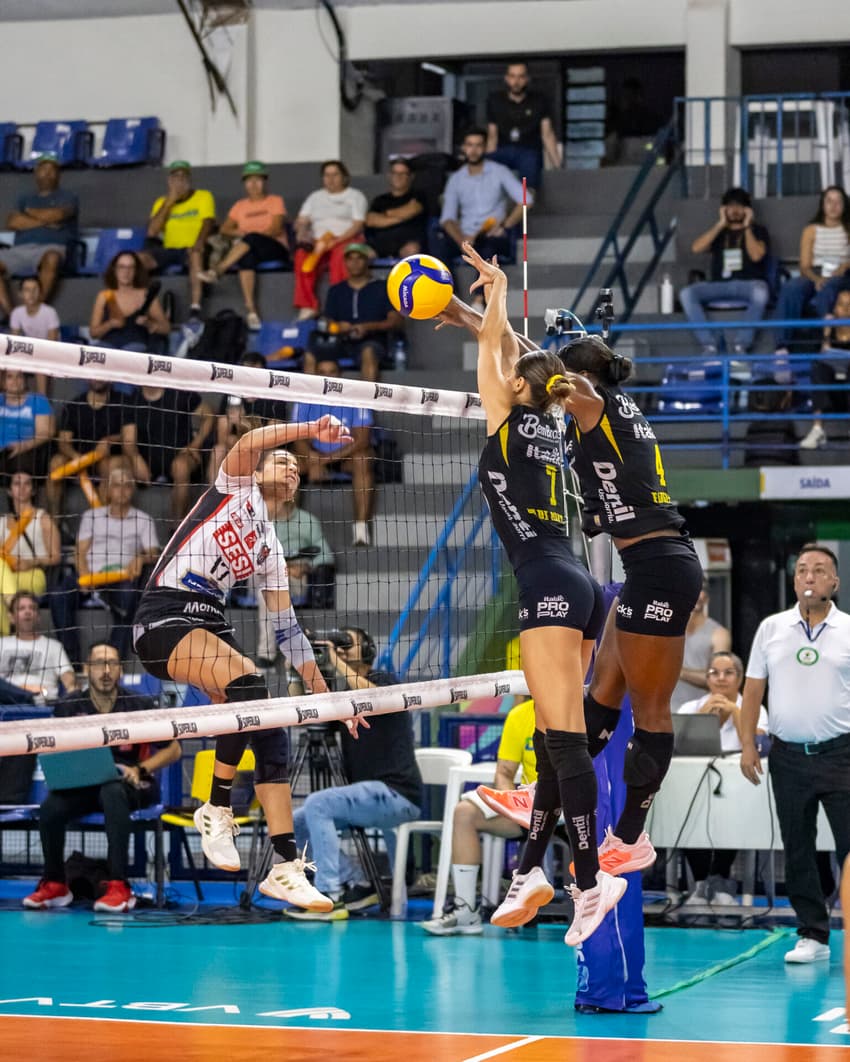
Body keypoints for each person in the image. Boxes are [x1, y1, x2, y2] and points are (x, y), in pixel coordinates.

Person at [439, 289, 703, 885]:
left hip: (662, 566)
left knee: (650, 710)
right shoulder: (602, 403)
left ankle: (630, 837)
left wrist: (487, 327)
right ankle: (543, 795)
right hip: (644, 567)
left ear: (581, 377)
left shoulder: (593, 400)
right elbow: (536, 364)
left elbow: (545, 374)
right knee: (598, 701)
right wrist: (469, 318)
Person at [463, 242, 624, 948]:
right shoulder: (553, 427)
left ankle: (589, 883)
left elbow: (498, 351)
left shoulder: (508, 415)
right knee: (560, 738)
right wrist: (478, 318)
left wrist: (496, 291)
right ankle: (530, 868)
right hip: (580, 583)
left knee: (564, 743)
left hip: (549, 585)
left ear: (515, 387)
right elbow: (513, 354)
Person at [133, 415, 360, 912]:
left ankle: (284, 867)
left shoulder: (271, 549)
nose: (292, 468)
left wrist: (329, 698)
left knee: (270, 727)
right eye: (282, 461)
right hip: (163, 618)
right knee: (248, 683)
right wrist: (311, 429)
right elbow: (252, 439)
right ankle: (216, 807)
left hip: (210, 622)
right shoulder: (234, 488)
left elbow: (289, 633)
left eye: (298, 467)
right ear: (257, 472)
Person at [740, 542, 850, 964]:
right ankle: (813, 934)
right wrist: (747, 744)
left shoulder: (847, 629)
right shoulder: (772, 628)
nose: (809, 576)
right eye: (802, 569)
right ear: (793, 579)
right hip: (787, 757)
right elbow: (753, 689)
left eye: (819, 570)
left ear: (834, 582)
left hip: (841, 754)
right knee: (797, 846)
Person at [22, 641, 181, 913]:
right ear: (86, 669)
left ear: (120, 669)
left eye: (112, 663)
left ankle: (119, 886)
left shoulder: (139, 705)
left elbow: (174, 750)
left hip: (131, 783)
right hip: (85, 785)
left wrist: (140, 769)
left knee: (112, 790)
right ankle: (55, 883)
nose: (106, 670)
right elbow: (54, 751)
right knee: (50, 807)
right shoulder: (70, 706)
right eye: (98, 664)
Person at [286, 626, 422, 921]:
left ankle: (329, 896)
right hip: (366, 799)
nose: (341, 649)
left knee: (318, 803)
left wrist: (335, 660)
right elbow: (303, 714)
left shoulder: (384, 680)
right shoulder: (344, 698)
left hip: (396, 794)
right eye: (338, 645)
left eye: (347, 644)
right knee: (294, 823)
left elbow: (372, 696)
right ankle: (357, 880)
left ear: (369, 651)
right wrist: (296, 671)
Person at [422, 697, 536, 936]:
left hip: (576, 808)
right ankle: (466, 912)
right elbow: (504, 773)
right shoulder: (520, 715)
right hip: (530, 811)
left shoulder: (579, 710)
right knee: (464, 813)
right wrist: (512, 805)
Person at [678, 651, 768, 906]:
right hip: (696, 790)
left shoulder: (754, 708)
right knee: (685, 812)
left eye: (728, 673)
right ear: (706, 678)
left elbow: (759, 745)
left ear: (740, 678)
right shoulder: (690, 708)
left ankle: (720, 878)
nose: (720, 678)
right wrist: (703, 718)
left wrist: (737, 713)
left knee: (732, 813)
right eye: (714, 673)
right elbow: (679, 749)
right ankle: (700, 882)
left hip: (740, 794)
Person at [50, 467, 160, 667]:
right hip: (91, 573)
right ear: (108, 490)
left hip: (121, 577)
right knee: (59, 596)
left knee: (131, 602)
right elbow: (80, 551)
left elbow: (154, 552)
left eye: (127, 485)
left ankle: (111, 662)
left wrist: (141, 557)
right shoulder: (92, 516)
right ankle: (73, 662)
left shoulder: (143, 519)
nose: (122, 490)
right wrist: (84, 574)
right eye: (117, 485)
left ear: (133, 490)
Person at [290, 361, 376, 547]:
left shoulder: (356, 395)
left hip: (344, 457)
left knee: (363, 459)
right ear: (316, 375)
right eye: (322, 372)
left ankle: (361, 529)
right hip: (313, 456)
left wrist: (323, 461)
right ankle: (288, 530)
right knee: (287, 465)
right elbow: (297, 436)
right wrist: (313, 459)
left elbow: (362, 439)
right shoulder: (304, 397)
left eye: (332, 372)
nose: (327, 376)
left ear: (340, 374)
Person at [197, 160, 290, 330]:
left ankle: (218, 270)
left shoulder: (275, 201)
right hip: (249, 247)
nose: (253, 184)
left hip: (274, 247)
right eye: (249, 180)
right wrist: (242, 234)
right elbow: (225, 229)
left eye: (258, 180)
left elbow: (276, 229)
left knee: (251, 239)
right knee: (246, 256)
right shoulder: (240, 206)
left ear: (265, 182)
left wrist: (252, 236)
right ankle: (251, 310)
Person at [678, 186, 771, 354]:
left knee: (761, 291)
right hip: (719, 285)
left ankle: (741, 345)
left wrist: (747, 227)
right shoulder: (719, 232)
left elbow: (757, 255)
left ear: (747, 210)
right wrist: (720, 224)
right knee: (687, 293)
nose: (735, 211)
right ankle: (709, 345)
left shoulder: (758, 230)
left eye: (739, 206)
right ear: (724, 209)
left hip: (747, 285)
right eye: (730, 206)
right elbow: (696, 248)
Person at [440, 130, 529, 301]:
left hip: (491, 234)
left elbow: (526, 200)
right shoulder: (456, 179)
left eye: (478, 145)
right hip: (465, 237)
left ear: (486, 147)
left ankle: (478, 301)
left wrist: (505, 225)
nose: (473, 150)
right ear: (463, 148)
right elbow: (447, 219)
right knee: (438, 242)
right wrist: (462, 241)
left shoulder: (499, 171)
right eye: (469, 145)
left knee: (490, 248)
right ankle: (448, 298)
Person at [302, 243, 403, 383]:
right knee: (310, 354)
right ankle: (308, 397)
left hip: (372, 340)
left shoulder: (382, 288)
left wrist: (367, 327)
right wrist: (338, 327)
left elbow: (396, 321)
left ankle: (367, 397)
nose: (354, 263)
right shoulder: (336, 290)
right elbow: (327, 321)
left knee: (368, 352)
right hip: (341, 341)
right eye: (350, 259)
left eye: (359, 258)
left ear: (367, 261)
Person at [254, 489, 335, 664]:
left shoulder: (307, 520)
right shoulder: (261, 523)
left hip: (297, 578)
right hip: (264, 573)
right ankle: (276, 652)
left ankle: (268, 654)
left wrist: (307, 566)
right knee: (267, 584)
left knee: (271, 587)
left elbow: (326, 555)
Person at [124, 383, 215, 524]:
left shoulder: (178, 393)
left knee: (180, 467)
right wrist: (136, 460)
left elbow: (209, 415)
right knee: (117, 468)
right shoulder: (133, 400)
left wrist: (195, 445)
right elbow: (128, 440)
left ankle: (176, 528)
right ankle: (116, 527)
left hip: (182, 455)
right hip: (148, 460)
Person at [139, 161, 216, 327]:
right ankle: (141, 305)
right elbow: (152, 231)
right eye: (175, 177)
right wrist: (169, 203)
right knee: (138, 259)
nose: (180, 181)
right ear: (169, 181)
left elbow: (208, 222)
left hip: (192, 248)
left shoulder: (203, 196)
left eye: (183, 177)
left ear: (189, 180)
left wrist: (199, 242)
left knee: (195, 254)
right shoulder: (161, 202)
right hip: (169, 249)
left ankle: (195, 309)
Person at [775, 185, 850, 355]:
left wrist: (844, 266)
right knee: (791, 288)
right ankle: (781, 348)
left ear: (845, 205)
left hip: (842, 274)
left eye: (838, 202)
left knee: (830, 286)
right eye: (829, 201)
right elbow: (804, 266)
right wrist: (816, 279)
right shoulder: (811, 230)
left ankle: (826, 340)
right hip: (815, 273)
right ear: (822, 205)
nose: (833, 206)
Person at [0, 153, 78, 313]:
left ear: (59, 174)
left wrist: (29, 214)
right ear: (36, 173)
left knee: (52, 258)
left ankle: (34, 311)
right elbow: (12, 222)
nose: (47, 173)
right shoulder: (24, 198)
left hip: (51, 247)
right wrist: (48, 221)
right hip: (20, 250)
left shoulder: (68, 196)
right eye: (43, 169)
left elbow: (59, 214)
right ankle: (11, 314)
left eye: (52, 170)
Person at [46, 379, 134, 517]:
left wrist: (110, 440)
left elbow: (129, 436)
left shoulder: (124, 402)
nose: (97, 378)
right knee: (56, 463)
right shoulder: (74, 405)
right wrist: (76, 457)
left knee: (111, 465)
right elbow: (63, 442)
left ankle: (106, 522)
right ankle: (54, 520)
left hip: (108, 458)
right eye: (94, 374)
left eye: (101, 374)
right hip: (79, 459)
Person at [292, 160, 367, 320]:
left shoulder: (355, 196)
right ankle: (308, 305)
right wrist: (303, 233)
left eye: (335, 175)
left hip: (346, 238)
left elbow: (357, 224)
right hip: (318, 242)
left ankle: (339, 303)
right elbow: (302, 220)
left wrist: (336, 241)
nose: (330, 179)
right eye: (327, 175)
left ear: (344, 177)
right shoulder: (314, 197)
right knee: (301, 256)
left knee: (341, 255)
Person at [207, 351, 290, 482]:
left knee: (275, 456)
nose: (250, 378)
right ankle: (214, 492)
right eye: (247, 373)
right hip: (236, 446)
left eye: (255, 373)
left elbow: (271, 438)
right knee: (218, 450)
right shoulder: (232, 395)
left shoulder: (275, 398)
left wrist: (242, 423)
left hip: (264, 450)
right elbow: (222, 436)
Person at [0, 470, 61, 634]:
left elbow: (56, 556)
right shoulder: (2, 522)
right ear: (9, 490)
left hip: (33, 575)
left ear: (33, 490)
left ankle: (7, 636)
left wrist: (31, 562)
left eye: (27, 484)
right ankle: (11, 620)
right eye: (17, 484)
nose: (22, 488)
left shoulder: (43, 518)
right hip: (7, 576)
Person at [486, 61, 562, 192]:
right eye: (512, 76)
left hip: (529, 151)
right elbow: (492, 136)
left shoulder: (539, 100)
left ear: (527, 79)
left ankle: (526, 201)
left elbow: (547, 134)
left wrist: (558, 168)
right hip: (503, 151)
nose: (516, 82)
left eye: (521, 77)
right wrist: (487, 161)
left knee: (527, 180)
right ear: (506, 78)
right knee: (484, 166)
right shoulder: (495, 100)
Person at [0, 591, 75, 704]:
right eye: (21, 608)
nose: (27, 612)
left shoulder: (54, 646)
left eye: (32, 608)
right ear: (11, 617)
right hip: (5, 704)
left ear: (39, 616)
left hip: (42, 703)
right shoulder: (1, 643)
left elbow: (69, 681)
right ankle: (27, 696)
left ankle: (30, 697)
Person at [88, 252, 171, 353]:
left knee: (133, 350)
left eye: (131, 267)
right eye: (121, 267)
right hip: (108, 347)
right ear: (114, 270)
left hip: (136, 347)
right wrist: (110, 324)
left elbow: (166, 328)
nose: (126, 272)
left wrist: (149, 324)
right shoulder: (105, 295)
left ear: (137, 271)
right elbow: (93, 333)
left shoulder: (145, 295)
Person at [800, 287, 850, 450]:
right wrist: (826, 335)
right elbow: (819, 355)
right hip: (832, 393)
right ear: (834, 308)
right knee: (818, 367)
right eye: (841, 304)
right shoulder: (827, 328)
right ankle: (817, 430)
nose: (846, 309)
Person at [671, 577, 732, 711]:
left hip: (702, 712)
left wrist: (678, 672)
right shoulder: (666, 629)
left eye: (700, 589)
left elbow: (720, 678)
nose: (694, 594)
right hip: (666, 711)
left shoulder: (719, 634)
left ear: (707, 598)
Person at [364, 159, 427, 260]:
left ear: (411, 176)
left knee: (412, 251)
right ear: (389, 176)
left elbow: (412, 210)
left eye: (403, 173)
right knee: (358, 255)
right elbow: (371, 221)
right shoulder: (380, 200)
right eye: (395, 173)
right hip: (378, 245)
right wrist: (401, 217)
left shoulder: (418, 196)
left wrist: (384, 215)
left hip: (407, 244)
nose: (398, 177)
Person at [0, 369, 54, 481]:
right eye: (9, 377)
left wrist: (24, 446)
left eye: (19, 376)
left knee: (22, 464)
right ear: (3, 382)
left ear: (25, 380)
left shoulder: (38, 401)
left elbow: (46, 432)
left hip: (25, 452)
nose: (15, 381)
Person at [9, 276, 60, 341]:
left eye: (35, 289)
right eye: (27, 290)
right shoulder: (16, 312)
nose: (31, 293)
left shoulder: (50, 312)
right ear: (20, 294)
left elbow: (52, 342)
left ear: (41, 293)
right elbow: (14, 340)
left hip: (47, 347)